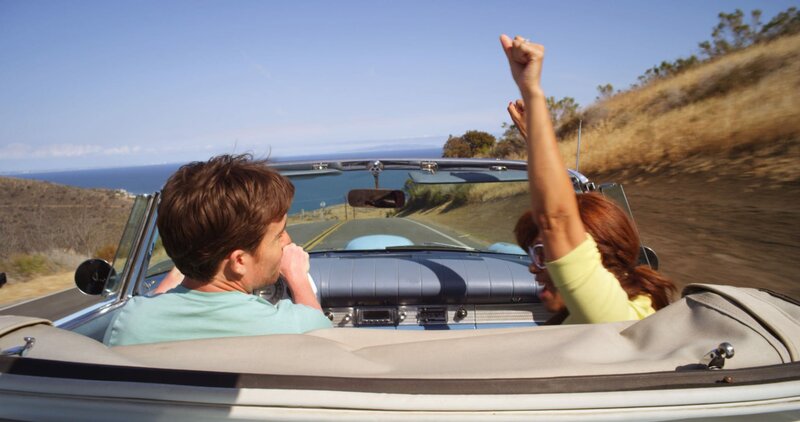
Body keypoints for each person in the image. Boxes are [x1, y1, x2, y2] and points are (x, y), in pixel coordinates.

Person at [500, 35, 675, 324]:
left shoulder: (612, 320)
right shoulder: (634, 305)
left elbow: (558, 218)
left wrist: (531, 90)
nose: (533, 268)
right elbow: (565, 210)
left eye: (544, 253)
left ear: (596, 256)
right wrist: (532, 135)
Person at [104, 154, 332, 346]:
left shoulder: (128, 324)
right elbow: (326, 343)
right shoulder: (297, 329)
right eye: (278, 235)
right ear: (239, 261)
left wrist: (180, 273)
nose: (287, 241)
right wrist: (298, 277)